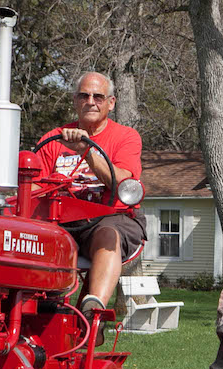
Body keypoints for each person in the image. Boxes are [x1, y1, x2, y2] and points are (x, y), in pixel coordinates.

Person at [35, 71, 145, 335]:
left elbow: (121, 184)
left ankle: (93, 309)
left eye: (98, 96)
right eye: (84, 95)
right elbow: (34, 188)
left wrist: (87, 152)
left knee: (109, 234)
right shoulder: (53, 139)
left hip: (110, 217)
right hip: (61, 222)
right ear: (75, 100)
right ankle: (38, 313)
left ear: (111, 103)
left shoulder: (125, 137)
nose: (91, 101)